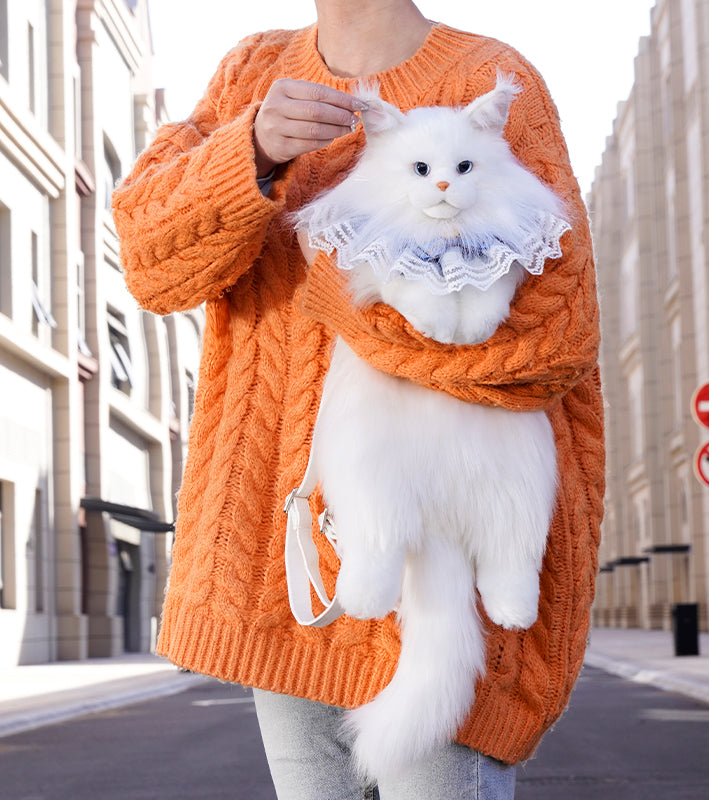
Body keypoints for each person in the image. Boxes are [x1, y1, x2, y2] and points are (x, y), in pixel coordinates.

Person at [112, 1, 605, 797]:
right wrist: (252, 153)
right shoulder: (251, 73)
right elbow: (150, 263)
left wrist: (349, 307)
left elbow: (555, 342)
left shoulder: (491, 81)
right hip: (288, 569)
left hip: (449, 561)